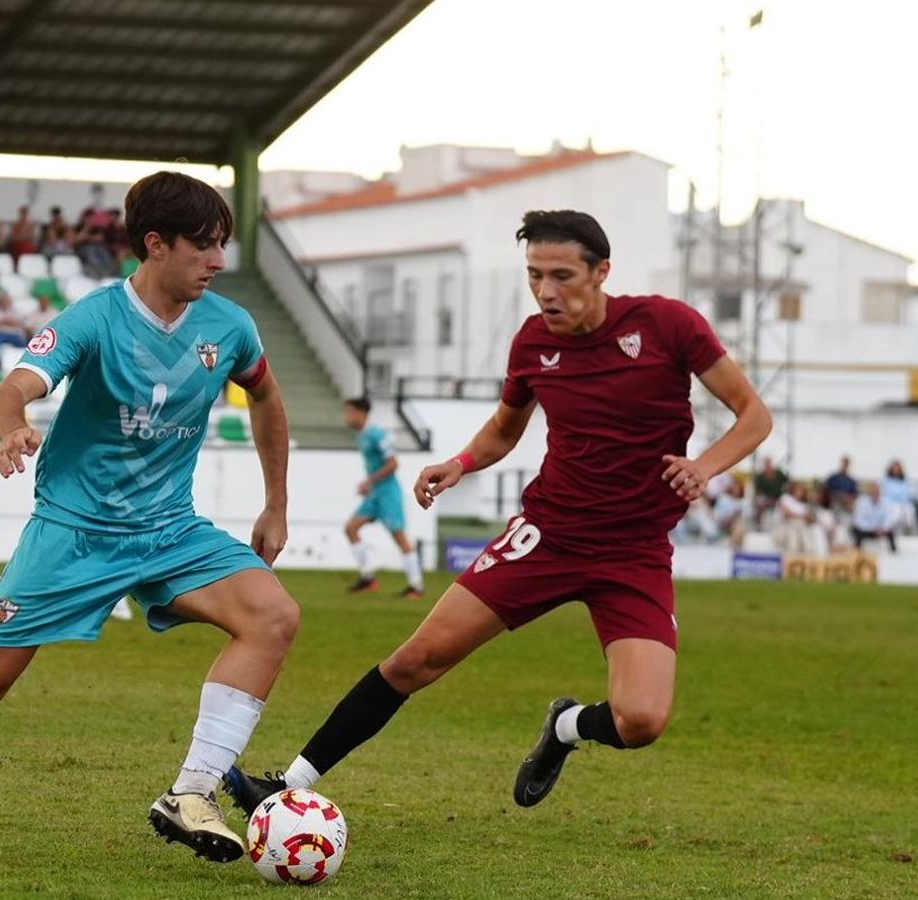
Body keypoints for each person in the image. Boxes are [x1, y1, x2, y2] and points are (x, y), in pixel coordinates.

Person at [0, 171, 297, 865]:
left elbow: (267, 399)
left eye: (222, 245)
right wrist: (13, 428)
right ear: (155, 245)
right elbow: (11, 390)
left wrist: (276, 503)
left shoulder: (231, 326)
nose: (219, 262)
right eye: (205, 246)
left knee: (273, 616)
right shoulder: (93, 320)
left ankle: (192, 791)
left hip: (168, 531)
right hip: (74, 533)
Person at [224, 208, 772, 820]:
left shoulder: (669, 325)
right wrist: (460, 462)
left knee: (641, 720)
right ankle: (287, 784)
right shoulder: (533, 344)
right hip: (549, 534)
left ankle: (565, 728)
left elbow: (754, 414)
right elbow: (504, 429)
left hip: (635, 551)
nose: (545, 291)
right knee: (415, 659)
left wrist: (704, 466)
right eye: (535, 274)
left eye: (562, 275)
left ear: (602, 272)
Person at [341, 398, 425, 598]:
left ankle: (417, 586)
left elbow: (394, 463)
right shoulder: (361, 436)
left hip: (388, 493)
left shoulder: (377, 434)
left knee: (399, 537)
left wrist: (369, 481)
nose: (347, 416)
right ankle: (369, 577)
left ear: (361, 412)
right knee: (351, 528)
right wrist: (369, 486)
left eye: (350, 412)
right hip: (375, 494)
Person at [851, 482, 896, 553]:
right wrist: (872, 529)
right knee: (857, 532)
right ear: (870, 492)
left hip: (880, 530)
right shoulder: (861, 502)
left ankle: (894, 552)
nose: (876, 493)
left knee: (891, 532)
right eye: (874, 491)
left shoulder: (886, 503)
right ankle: (857, 552)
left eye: (878, 491)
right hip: (866, 529)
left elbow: (889, 518)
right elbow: (859, 520)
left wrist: (882, 528)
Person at [0, 293, 28, 361]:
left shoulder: (15, 311)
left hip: (13, 334)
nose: (4, 302)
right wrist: (5, 321)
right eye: (2, 300)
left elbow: (20, 324)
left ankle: (22, 361)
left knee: (23, 343)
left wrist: (3, 322)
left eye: (6, 300)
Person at [879, 460, 916, 533]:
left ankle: (908, 529)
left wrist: (904, 502)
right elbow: (883, 493)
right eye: (894, 469)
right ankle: (891, 529)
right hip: (890, 503)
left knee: (910, 510)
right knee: (896, 511)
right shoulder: (885, 480)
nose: (896, 470)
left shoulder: (905, 481)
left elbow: (909, 493)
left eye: (898, 469)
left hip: (903, 503)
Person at [751, 456, 788, 528]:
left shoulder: (779, 473)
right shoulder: (760, 476)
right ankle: (758, 524)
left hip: (779, 498)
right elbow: (758, 491)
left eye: (769, 463)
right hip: (766, 498)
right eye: (766, 464)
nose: (768, 465)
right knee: (760, 502)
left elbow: (787, 483)